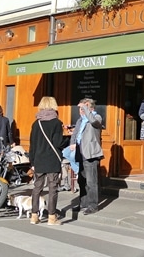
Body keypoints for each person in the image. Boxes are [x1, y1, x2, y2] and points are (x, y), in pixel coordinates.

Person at [28, 96, 64, 225]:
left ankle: (34, 215)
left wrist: (32, 162)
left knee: (37, 188)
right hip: (52, 159)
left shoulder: (36, 123)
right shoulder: (56, 123)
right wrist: (68, 139)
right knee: (52, 188)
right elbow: (58, 142)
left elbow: (32, 145)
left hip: (38, 159)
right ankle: (51, 217)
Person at [69, 98, 103, 215]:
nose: (80, 110)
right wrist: (72, 143)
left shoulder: (96, 117)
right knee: (81, 180)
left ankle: (93, 205)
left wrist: (86, 110)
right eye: (80, 108)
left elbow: (94, 122)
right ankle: (83, 203)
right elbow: (75, 133)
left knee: (91, 181)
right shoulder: (80, 120)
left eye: (83, 108)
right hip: (80, 152)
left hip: (91, 153)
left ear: (90, 108)